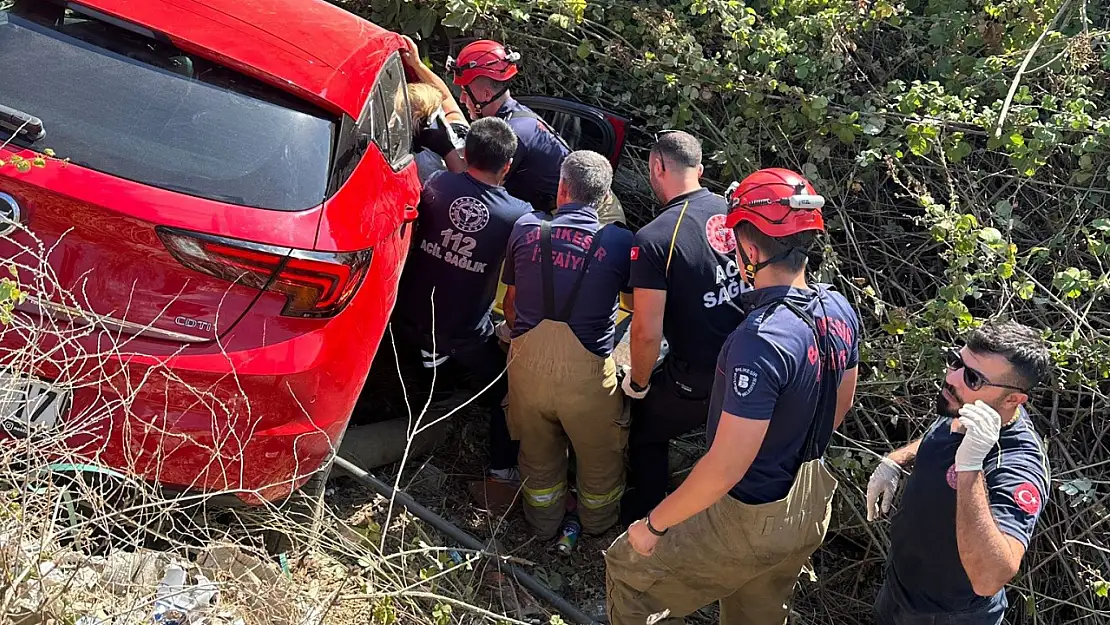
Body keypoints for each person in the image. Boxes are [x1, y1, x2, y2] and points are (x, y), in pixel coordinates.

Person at [605, 167, 861, 625]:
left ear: (747, 247)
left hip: (750, 512)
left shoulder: (759, 341)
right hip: (808, 500)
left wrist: (652, 525)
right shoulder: (837, 307)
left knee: (630, 575)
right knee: (756, 609)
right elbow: (840, 404)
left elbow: (726, 466)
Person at [866, 320, 1051, 625]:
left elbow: (990, 577)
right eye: (956, 361)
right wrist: (896, 460)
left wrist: (970, 466)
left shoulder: (1018, 464)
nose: (951, 377)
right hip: (900, 591)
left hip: (949, 616)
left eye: (973, 377)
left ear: (1012, 400)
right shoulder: (965, 403)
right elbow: (940, 437)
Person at [501, 150, 635, 538]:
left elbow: (510, 307)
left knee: (536, 453)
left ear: (561, 188)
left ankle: (542, 526)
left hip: (525, 368)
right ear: (606, 198)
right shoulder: (620, 242)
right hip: (588, 377)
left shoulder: (526, 228)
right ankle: (595, 527)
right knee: (600, 460)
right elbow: (633, 307)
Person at [390, 117, 532, 482]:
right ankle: (502, 469)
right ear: (508, 166)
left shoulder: (435, 184)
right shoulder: (517, 216)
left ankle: (423, 383)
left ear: (467, 153)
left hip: (403, 317)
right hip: (463, 334)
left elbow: (458, 179)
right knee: (507, 393)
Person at [618, 130, 747, 525]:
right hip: (748, 363)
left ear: (657, 167)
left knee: (645, 430)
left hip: (698, 377)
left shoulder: (655, 239)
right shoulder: (734, 211)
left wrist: (637, 384)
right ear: (701, 170)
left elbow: (645, 332)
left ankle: (648, 520)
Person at [446, 39, 570, 213]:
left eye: (465, 93)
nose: (461, 100)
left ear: (486, 94)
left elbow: (476, 185)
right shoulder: (511, 116)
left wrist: (444, 149)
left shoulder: (511, 133)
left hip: (591, 216)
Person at [400, 36, 469, 182]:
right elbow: (446, 98)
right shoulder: (462, 137)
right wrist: (417, 64)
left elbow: (446, 98)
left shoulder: (417, 163)